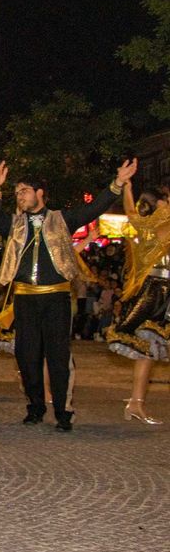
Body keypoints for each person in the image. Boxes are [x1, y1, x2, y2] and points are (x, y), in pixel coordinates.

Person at [0, 158, 137, 431]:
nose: (19, 196)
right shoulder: (14, 224)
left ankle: (63, 411)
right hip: (24, 298)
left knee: (57, 356)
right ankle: (35, 406)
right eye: (16, 192)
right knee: (26, 355)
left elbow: (93, 209)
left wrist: (116, 184)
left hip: (55, 298)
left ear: (40, 193)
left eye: (24, 191)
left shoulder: (61, 219)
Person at [105, 181, 169, 425]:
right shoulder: (161, 226)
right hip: (159, 292)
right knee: (148, 348)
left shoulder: (149, 225)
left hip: (155, 290)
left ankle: (136, 403)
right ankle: (136, 403)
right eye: (165, 199)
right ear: (159, 204)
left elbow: (131, 213)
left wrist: (127, 190)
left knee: (147, 350)